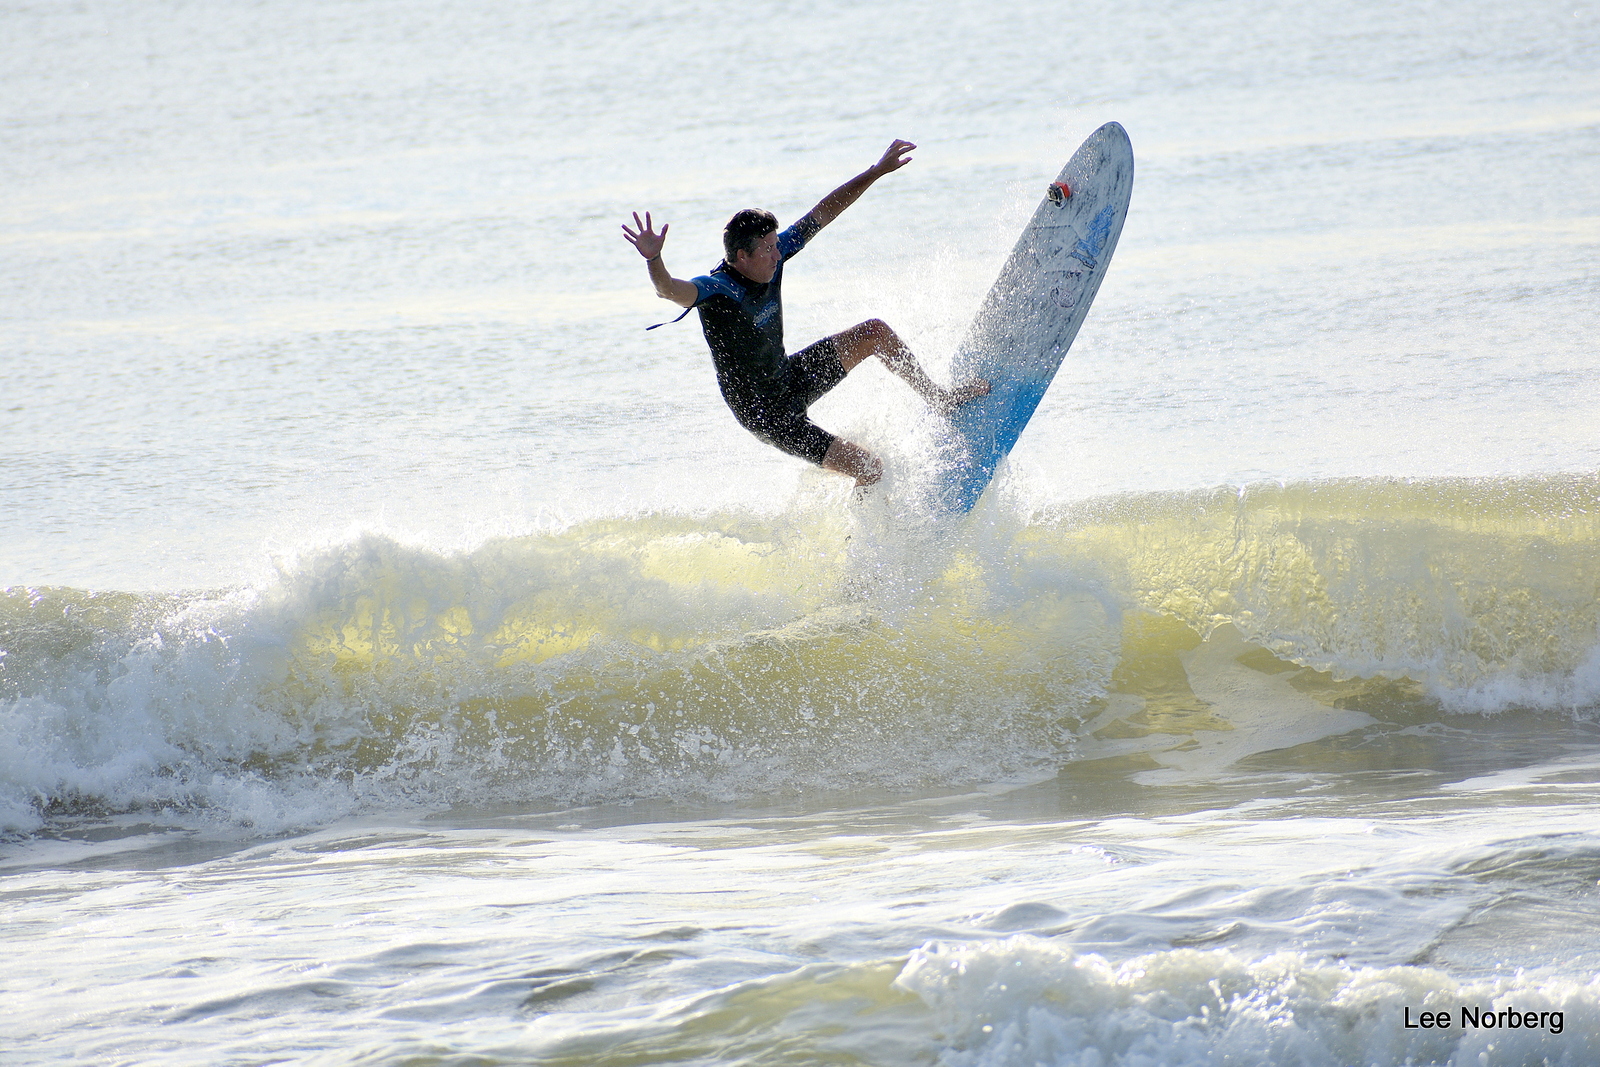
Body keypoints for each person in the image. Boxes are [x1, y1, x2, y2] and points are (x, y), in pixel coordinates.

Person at [622, 139, 989, 488]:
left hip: (789, 377)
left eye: (774, 244)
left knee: (874, 333)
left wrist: (876, 172)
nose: (777, 254)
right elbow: (668, 289)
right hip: (767, 416)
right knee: (871, 468)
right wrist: (654, 259)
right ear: (740, 257)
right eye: (766, 249)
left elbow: (823, 212)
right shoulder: (718, 291)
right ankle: (864, 549)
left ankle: (940, 399)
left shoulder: (773, 257)